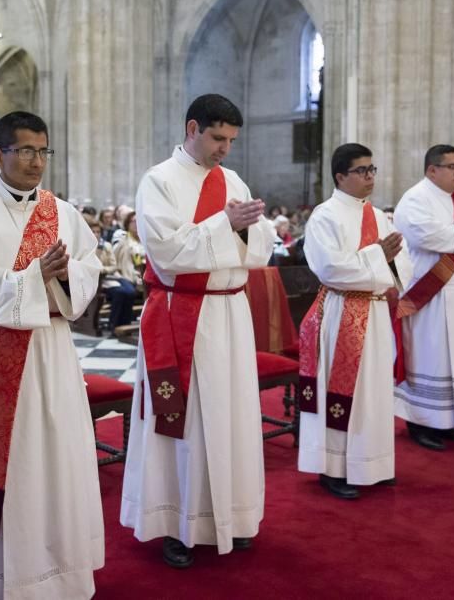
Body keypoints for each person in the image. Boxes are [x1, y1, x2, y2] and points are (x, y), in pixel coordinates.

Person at [0, 111, 104, 598]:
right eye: (27, 151)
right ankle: (10, 580)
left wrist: (62, 277)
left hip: (53, 353)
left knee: (61, 460)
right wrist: (36, 277)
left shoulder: (65, 213)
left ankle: (65, 574)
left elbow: (89, 269)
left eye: (43, 151)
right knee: (15, 466)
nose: (37, 162)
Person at [120, 94, 274, 569]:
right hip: (181, 315)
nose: (225, 149)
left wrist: (238, 232)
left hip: (229, 315)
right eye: (217, 137)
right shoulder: (159, 181)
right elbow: (166, 253)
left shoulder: (232, 180)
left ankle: (231, 517)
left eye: (231, 140)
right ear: (192, 128)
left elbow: (261, 246)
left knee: (232, 418)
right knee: (183, 424)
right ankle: (178, 524)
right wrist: (225, 225)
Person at [297, 143, 412, 499]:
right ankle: (334, 469)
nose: (370, 177)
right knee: (342, 393)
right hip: (343, 310)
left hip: (375, 313)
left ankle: (372, 464)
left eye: (372, 169)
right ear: (340, 176)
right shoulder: (325, 215)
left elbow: (403, 264)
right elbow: (331, 268)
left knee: (374, 392)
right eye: (362, 171)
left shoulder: (378, 216)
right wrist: (379, 255)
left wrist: (389, 262)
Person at [392, 144, 454, 451]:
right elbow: (427, 236)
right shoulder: (414, 199)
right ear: (431, 170)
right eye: (451, 167)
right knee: (430, 359)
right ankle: (421, 422)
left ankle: (450, 421)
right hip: (431, 296)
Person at [89, 219, 137, 329]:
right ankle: (113, 324)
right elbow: (90, 267)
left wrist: (102, 269)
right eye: (93, 231)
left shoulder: (106, 245)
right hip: (96, 280)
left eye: (98, 232)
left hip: (111, 277)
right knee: (120, 293)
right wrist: (101, 266)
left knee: (131, 291)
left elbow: (114, 265)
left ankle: (125, 324)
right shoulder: (85, 246)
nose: (96, 234)